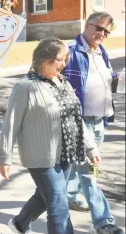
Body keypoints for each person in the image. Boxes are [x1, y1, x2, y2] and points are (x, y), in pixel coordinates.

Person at [0, 37, 101, 234]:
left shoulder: (63, 82)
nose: (64, 64)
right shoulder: (24, 87)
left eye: (65, 59)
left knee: (44, 196)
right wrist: (5, 158)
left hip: (66, 153)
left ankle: (20, 224)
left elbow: (75, 118)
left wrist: (90, 147)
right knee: (58, 205)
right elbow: (10, 123)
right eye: (60, 59)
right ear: (45, 59)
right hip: (41, 157)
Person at [64, 12, 124, 234]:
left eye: (107, 31)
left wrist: (117, 78)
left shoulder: (102, 52)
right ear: (87, 25)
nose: (103, 34)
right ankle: (104, 222)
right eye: (99, 28)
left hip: (100, 120)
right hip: (81, 121)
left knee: (76, 165)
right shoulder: (71, 52)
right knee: (90, 171)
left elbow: (104, 79)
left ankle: (69, 196)